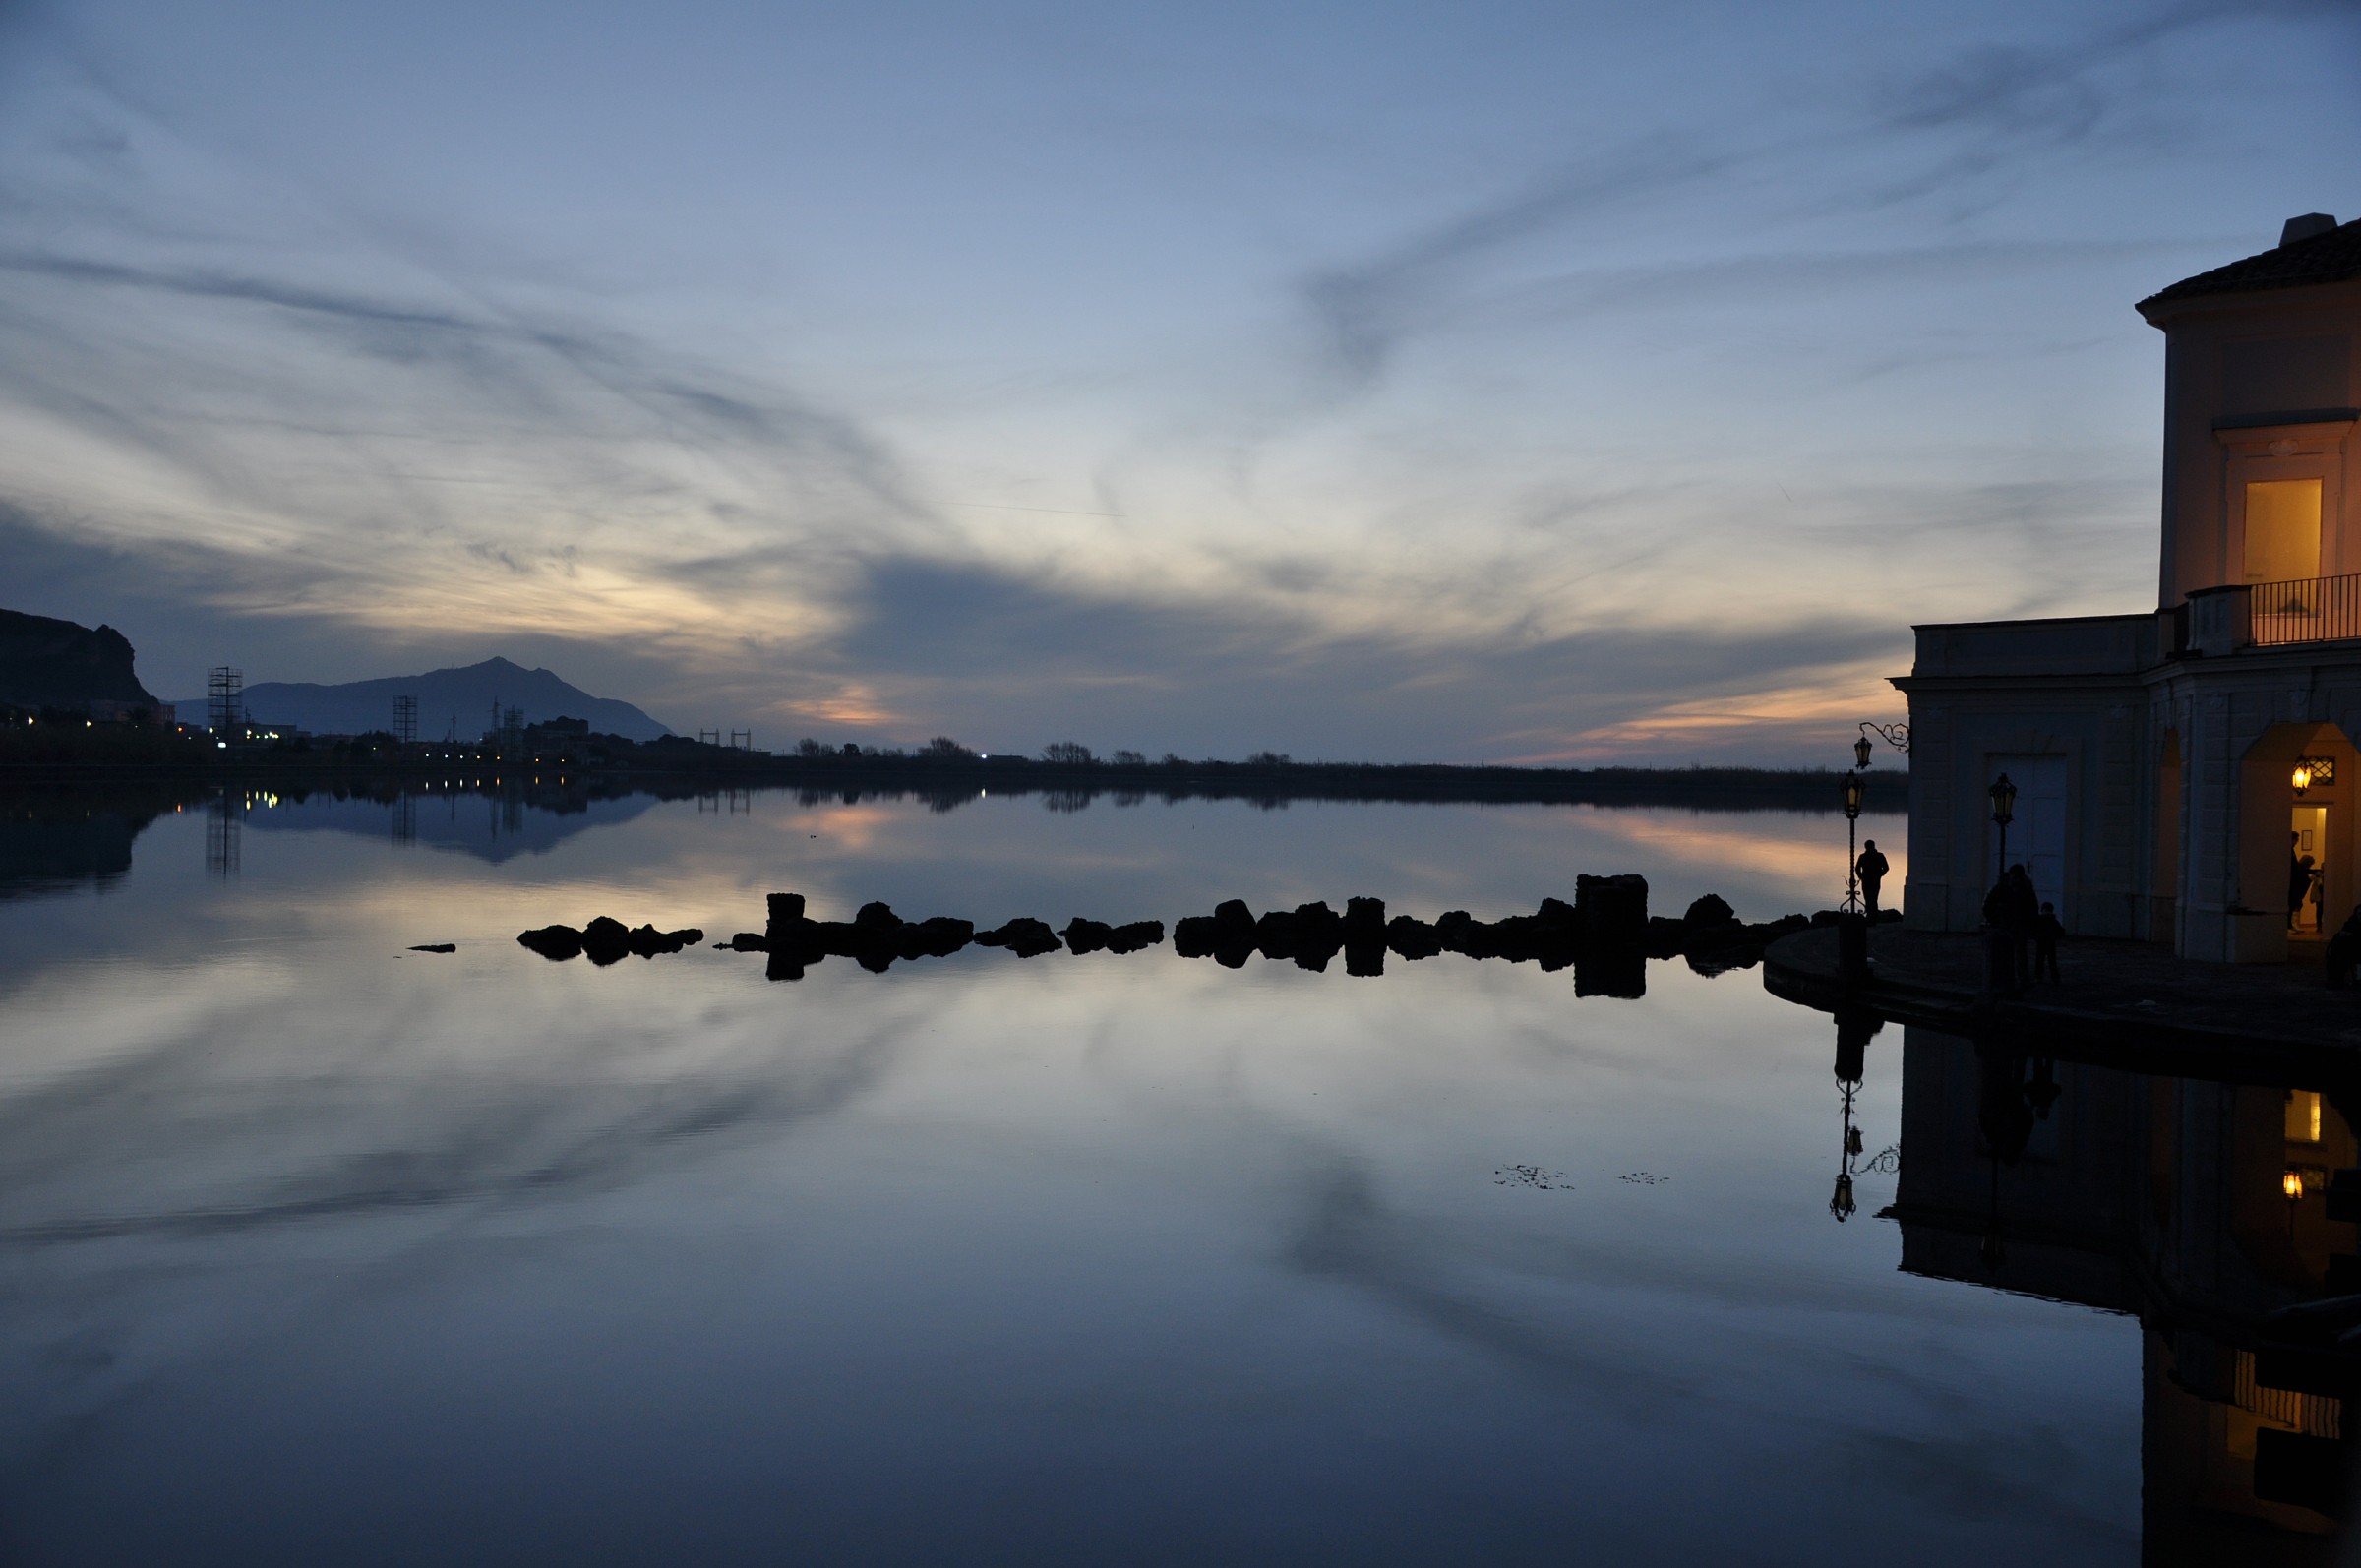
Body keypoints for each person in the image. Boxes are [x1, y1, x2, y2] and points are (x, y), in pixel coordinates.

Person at [2030, 901, 2064, 983]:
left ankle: (2038, 977)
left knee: (2040, 960)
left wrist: (2036, 937)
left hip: (2041, 942)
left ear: (2043, 910)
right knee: (2052, 961)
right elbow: (2060, 931)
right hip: (2050, 943)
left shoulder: (2039, 920)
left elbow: (2033, 930)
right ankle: (2055, 977)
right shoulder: (2054, 921)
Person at [1855, 839, 1890, 917]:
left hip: (1870, 880)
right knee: (1871, 898)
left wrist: (1862, 876)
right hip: (1872, 880)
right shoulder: (1878, 855)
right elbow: (1886, 868)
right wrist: (1879, 874)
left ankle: (1871, 916)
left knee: (1870, 898)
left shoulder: (1864, 856)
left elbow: (1857, 868)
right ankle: (1872, 916)